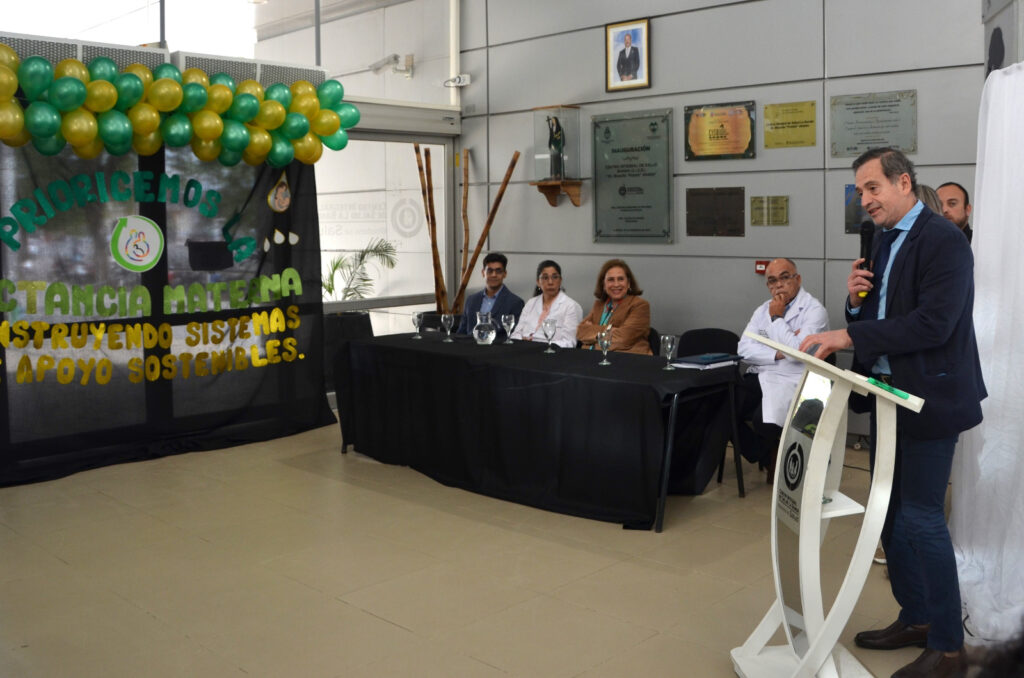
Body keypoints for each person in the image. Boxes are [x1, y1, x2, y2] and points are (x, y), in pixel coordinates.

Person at [799, 147, 986, 678]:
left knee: (922, 517)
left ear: (904, 182)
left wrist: (847, 334)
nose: (865, 200)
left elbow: (934, 324)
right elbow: (878, 314)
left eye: (873, 187)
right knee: (890, 513)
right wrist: (854, 304)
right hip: (885, 393)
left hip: (930, 399)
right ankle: (917, 615)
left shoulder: (944, 241)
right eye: (860, 190)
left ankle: (948, 647)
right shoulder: (882, 239)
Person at [736, 258, 828, 482]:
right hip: (763, 372)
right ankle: (760, 453)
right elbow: (743, 349)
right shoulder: (762, 310)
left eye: (785, 278)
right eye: (772, 281)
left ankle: (774, 456)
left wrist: (777, 318)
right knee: (723, 407)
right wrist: (778, 353)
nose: (778, 285)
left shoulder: (814, 310)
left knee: (763, 421)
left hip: (795, 379)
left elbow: (797, 353)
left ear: (798, 279)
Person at [576, 259, 652, 355]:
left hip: (628, 359)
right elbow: (580, 332)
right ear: (604, 284)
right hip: (593, 358)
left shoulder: (640, 305)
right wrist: (610, 330)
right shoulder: (599, 305)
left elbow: (623, 339)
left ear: (628, 283)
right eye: (611, 280)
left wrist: (593, 334)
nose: (616, 284)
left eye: (620, 279)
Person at [511, 259, 582, 348]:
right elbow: (515, 335)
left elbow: (569, 342)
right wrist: (523, 341)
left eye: (555, 277)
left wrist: (541, 346)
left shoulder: (571, 306)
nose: (550, 282)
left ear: (560, 280)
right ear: (538, 282)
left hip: (553, 353)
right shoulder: (531, 303)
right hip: (524, 350)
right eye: (545, 278)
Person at [456, 252, 524, 339]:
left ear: (505, 274)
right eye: (490, 271)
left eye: (498, 271)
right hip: (470, 345)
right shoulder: (471, 300)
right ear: (483, 273)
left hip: (499, 347)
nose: (494, 275)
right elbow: (461, 332)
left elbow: (514, 336)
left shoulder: (515, 303)